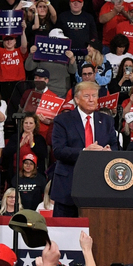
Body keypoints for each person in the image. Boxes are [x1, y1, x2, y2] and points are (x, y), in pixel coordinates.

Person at [50, 80, 119, 217]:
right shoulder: (63, 120)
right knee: (65, 231)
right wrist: (84, 152)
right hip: (69, 185)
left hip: (99, 184)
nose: (92, 100)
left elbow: (116, 146)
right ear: (76, 99)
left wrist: (109, 152)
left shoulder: (106, 121)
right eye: (87, 96)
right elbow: (58, 150)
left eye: (94, 96)